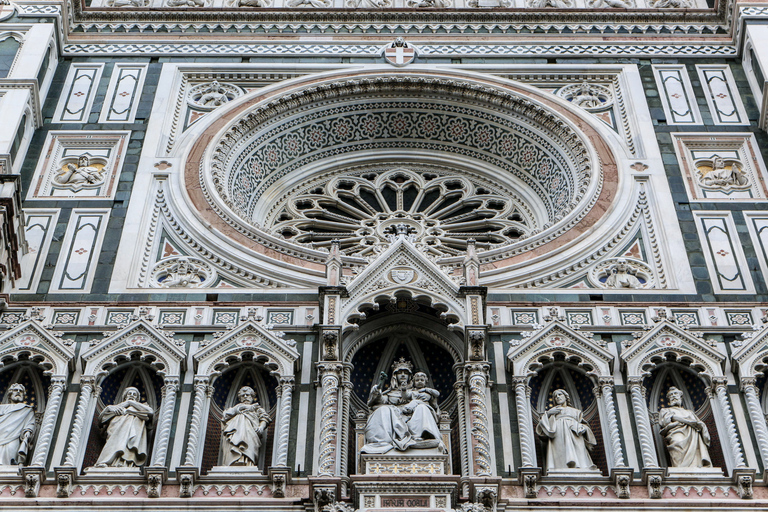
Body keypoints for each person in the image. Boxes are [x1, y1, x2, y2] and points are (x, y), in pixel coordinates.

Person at [361, 358, 415, 454]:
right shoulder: (390, 393)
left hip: (410, 417)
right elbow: (380, 400)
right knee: (383, 409)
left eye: (406, 373)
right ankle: (382, 442)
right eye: (399, 373)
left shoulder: (415, 392)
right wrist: (378, 388)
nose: (403, 375)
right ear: (395, 376)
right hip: (392, 417)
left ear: (410, 376)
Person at [535, 389, 597, 471]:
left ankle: (582, 466)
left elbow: (585, 426)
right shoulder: (552, 412)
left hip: (574, 434)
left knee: (579, 452)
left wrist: (581, 428)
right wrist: (549, 413)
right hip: (558, 433)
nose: (557, 397)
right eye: (555, 396)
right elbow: (542, 428)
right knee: (560, 454)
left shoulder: (576, 412)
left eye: (560, 394)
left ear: (566, 397)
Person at [95, 387, 153, 468]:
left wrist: (130, 403)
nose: (132, 395)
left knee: (127, 446)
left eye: (134, 394)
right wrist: (108, 408)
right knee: (114, 443)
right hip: (116, 430)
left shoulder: (141, 406)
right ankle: (107, 462)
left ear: (137, 398)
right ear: (125, 396)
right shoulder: (116, 407)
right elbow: (101, 419)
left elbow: (150, 412)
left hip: (131, 431)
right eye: (129, 393)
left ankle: (125, 464)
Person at [659, 386, 712, 468]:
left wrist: (701, 425)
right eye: (671, 395)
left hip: (693, 435)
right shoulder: (665, 410)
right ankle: (680, 468)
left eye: (675, 394)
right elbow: (665, 423)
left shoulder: (689, 412)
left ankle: (697, 466)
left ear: (680, 397)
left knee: (696, 452)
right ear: (669, 399)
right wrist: (688, 421)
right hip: (676, 432)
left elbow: (698, 423)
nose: (673, 396)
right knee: (678, 444)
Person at [220, 386, 270, 467]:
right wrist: (238, 408)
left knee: (248, 448)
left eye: (248, 395)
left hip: (250, 432)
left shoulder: (256, 408)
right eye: (243, 395)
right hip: (236, 432)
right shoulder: (235, 408)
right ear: (240, 398)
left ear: (252, 397)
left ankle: (247, 462)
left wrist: (261, 427)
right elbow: (225, 416)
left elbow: (265, 418)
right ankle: (233, 461)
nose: (245, 397)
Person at [402, 372, 446, 452]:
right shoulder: (413, 392)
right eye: (417, 380)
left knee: (421, 407)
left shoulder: (428, 391)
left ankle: (426, 433)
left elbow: (437, 393)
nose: (419, 381)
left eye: (422, 380)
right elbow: (406, 396)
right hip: (414, 412)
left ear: (426, 382)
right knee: (417, 407)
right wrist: (404, 389)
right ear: (414, 382)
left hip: (426, 409)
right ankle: (416, 435)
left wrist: (426, 389)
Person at [0, 383, 35, 465]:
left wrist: (27, 433)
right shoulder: (1, 408)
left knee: (10, 456)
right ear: (10, 393)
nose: (18, 392)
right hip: (1, 435)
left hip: (14, 437)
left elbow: (30, 423)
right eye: (16, 390)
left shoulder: (27, 409)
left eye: (21, 391)